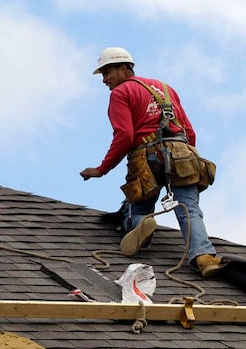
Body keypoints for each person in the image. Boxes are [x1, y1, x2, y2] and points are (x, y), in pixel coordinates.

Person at [80, 47, 224, 277]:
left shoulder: (120, 94)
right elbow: (189, 131)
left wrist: (101, 169)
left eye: (107, 72)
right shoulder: (166, 89)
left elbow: (125, 136)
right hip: (181, 152)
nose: (105, 79)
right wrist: (190, 158)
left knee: (138, 207)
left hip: (146, 157)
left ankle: (140, 225)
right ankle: (204, 257)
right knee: (189, 208)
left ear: (125, 68)